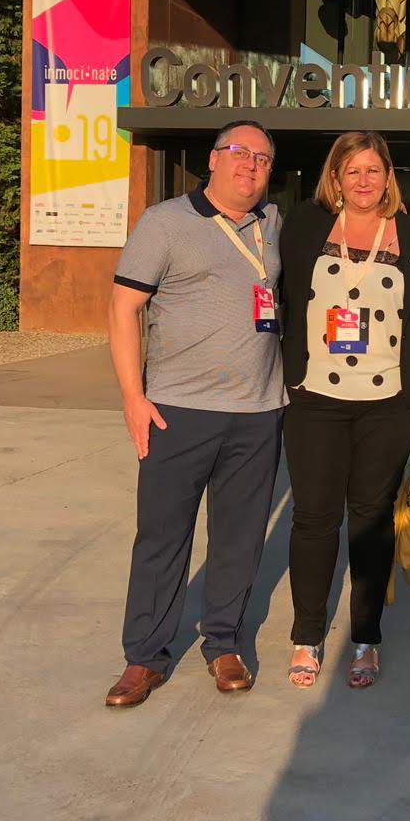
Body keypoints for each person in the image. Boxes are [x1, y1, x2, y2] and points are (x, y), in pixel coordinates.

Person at [102, 119, 286, 707]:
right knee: (162, 537)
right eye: (239, 152)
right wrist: (133, 397)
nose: (250, 164)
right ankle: (144, 657)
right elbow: (123, 309)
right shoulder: (165, 222)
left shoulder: (272, 224)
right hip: (177, 410)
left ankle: (224, 643)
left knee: (240, 537)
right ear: (213, 159)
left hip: (258, 412)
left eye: (262, 158)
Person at [277, 131, 410, 689]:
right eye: (352, 171)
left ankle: (366, 638)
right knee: (314, 520)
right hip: (315, 401)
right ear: (335, 178)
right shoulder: (305, 226)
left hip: (386, 405)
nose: (363, 181)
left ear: (389, 177)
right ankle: (307, 635)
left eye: (373, 170)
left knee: (371, 522)